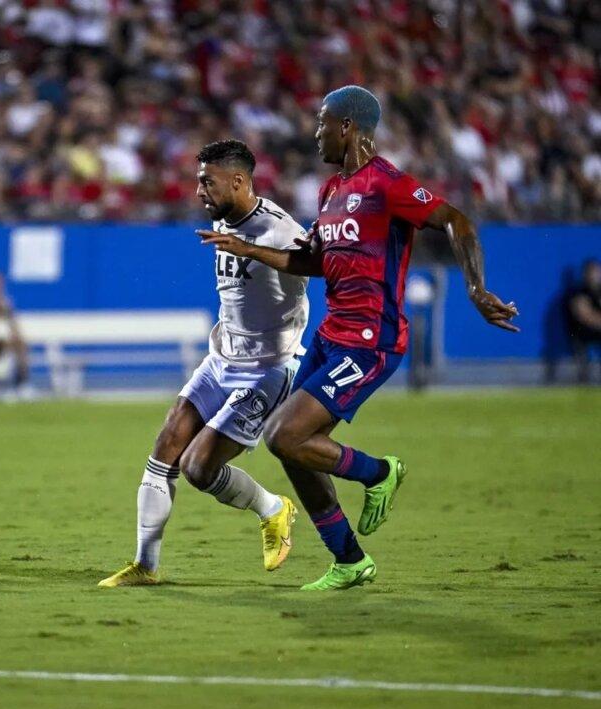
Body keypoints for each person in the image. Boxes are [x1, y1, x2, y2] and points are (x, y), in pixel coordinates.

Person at [199, 86, 518, 591]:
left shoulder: (386, 184)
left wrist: (476, 289)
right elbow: (314, 263)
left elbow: (457, 221)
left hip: (371, 340)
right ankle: (348, 559)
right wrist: (247, 248)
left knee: (285, 434)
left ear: (347, 127)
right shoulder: (330, 193)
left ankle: (378, 472)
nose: (316, 133)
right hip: (331, 335)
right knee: (290, 446)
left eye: (323, 123)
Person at [99, 140, 307, 587]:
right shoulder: (224, 220)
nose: (199, 191)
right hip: (221, 357)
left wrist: (249, 250)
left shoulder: (277, 228)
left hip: (269, 368)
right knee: (165, 447)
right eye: (198, 181)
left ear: (238, 181)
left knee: (198, 469)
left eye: (207, 182)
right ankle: (145, 566)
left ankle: (274, 509)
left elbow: (320, 265)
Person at [566, 258, 601, 383]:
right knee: (580, 346)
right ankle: (584, 380)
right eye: (590, 272)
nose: (594, 276)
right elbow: (585, 316)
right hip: (583, 333)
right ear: (585, 274)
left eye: (596, 272)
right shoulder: (579, 292)